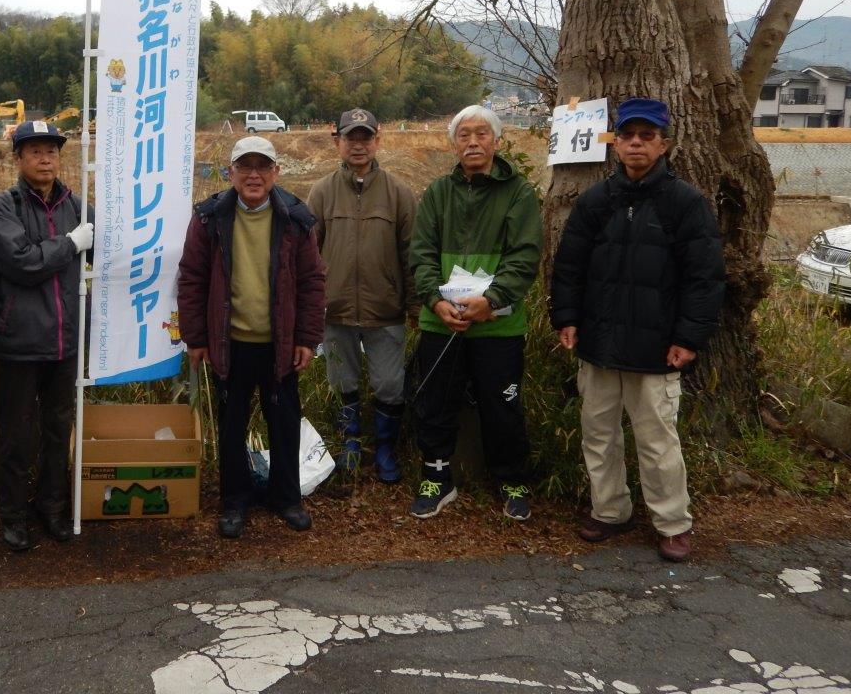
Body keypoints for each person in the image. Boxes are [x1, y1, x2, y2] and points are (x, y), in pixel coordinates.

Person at [550, 97, 725, 563]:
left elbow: (704, 277)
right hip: (598, 343)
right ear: (616, 143)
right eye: (628, 136)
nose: (636, 144)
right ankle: (610, 510)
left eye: (647, 137)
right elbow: (569, 267)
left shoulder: (685, 203)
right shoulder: (596, 201)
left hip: (656, 348)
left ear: (664, 144)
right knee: (599, 434)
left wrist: (689, 338)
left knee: (657, 439)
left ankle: (672, 522)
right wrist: (566, 318)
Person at [177, 135, 326, 539]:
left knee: (284, 422)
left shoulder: (296, 218)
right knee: (231, 425)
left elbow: (312, 281)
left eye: (263, 167)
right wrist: (196, 338)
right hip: (230, 343)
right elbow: (191, 279)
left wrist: (307, 339)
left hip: (280, 344)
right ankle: (234, 501)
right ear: (231, 173)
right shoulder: (209, 218)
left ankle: (287, 498)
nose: (254, 175)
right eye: (245, 167)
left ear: (276, 173)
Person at [407, 105, 541, 522]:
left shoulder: (518, 193)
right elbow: (421, 254)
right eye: (464, 135)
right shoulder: (437, 193)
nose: (473, 142)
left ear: (497, 142)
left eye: (482, 134)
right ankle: (437, 476)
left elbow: (524, 256)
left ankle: (512, 479)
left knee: (502, 405)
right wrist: (435, 300)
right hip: (441, 320)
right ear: (454, 143)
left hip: (497, 324)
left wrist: (494, 299)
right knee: (437, 401)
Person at [0, 120, 94, 552]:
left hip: (64, 342)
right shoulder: (3, 206)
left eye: (51, 150)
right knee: (15, 432)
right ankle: (12, 514)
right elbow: (21, 262)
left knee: (56, 428)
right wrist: (70, 244)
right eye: (34, 151)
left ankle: (51, 506)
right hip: (20, 342)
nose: (45, 158)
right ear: (18, 158)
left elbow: (110, 244)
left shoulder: (76, 205)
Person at [306, 108, 418, 482]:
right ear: (336, 140)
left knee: (390, 384)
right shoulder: (321, 192)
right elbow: (307, 255)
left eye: (365, 137)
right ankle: (349, 442)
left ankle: (385, 448)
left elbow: (411, 254)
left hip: (385, 310)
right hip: (335, 310)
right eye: (350, 138)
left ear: (377, 140)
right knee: (343, 381)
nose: (358, 145)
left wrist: (415, 305)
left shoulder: (399, 193)